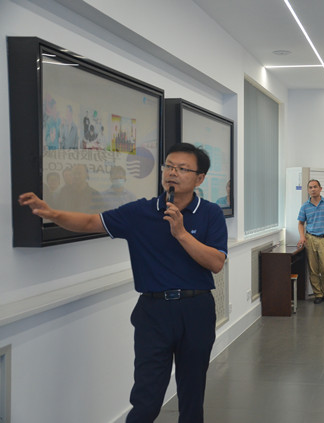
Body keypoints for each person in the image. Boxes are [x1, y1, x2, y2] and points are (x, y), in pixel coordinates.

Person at [19, 143, 228, 423]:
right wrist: (53, 214)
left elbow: (216, 262)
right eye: (168, 166)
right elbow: (91, 222)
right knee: (146, 396)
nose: (172, 173)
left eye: (182, 169)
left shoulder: (211, 213)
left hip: (196, 309)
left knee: (192, 393)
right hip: (153, 312)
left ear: (199, 178)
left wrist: (180, 233)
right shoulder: (139, 212)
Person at [297, 179, 324, 304]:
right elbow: (300, 223)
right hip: (310, 239)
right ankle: (318, 294)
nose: (313, 189)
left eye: (315, 187)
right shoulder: (305, 206)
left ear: (320, 189)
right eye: (310, 187)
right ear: (308, 190)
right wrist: (302, 237)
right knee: (313, 269)